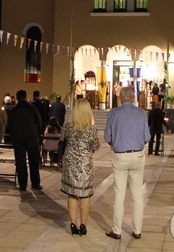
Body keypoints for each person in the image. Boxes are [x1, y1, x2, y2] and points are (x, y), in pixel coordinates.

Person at [104, 86, 150, 240]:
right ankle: (137, 230)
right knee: (137, 193)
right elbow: (147, 136)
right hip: (137, 155)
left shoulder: (114, 113)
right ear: (132, 98)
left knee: (119, 194)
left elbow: (107, 136)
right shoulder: (141, 113)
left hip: (120, 156)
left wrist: (116, 143)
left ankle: (117, 230)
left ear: (121, 98)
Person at [60, 98, 99, 236]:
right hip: (84, 165)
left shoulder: (68, 126)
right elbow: (95, 147)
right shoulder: (91, 129)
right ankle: (83, 224)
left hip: (70, 164)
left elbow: (62, 142)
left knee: (72, 194)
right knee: (84, 195)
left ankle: (72, 223)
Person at [7, 89, 42, 191]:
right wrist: (37, 133)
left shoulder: (13, 110)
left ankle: (23, 185)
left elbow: (9, 125)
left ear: (17, 98)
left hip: (18, 139)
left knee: (20, 162)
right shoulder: (32, 108)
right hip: (32, 138)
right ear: (26, 96)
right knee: (33, 162)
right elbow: (39, 123)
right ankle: (35, 184)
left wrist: (13, 135)